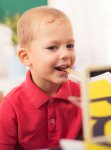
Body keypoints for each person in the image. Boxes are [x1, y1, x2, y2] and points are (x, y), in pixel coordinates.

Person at [0, 6, 82, 150]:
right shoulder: (10, 107)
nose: (66, 54)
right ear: (26, 57)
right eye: (52, 47)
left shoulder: (84, 96)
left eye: (70, 45)